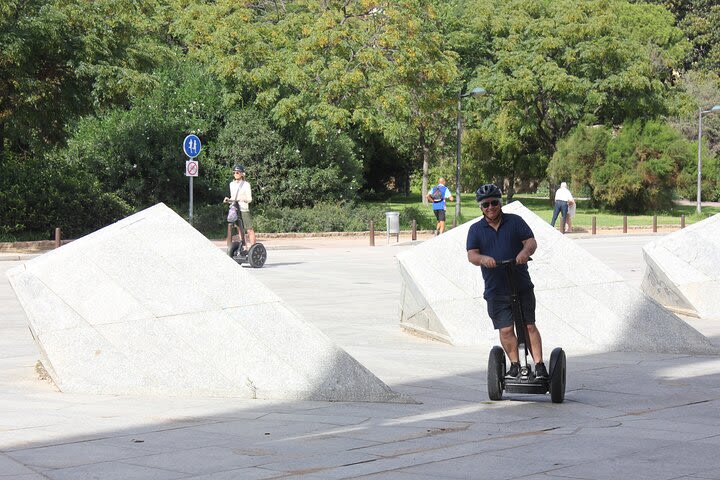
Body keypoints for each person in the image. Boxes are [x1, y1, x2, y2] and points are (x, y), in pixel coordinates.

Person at [466, 183, 547, 379]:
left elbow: (531, 242)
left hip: (521, 285)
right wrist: (483, 259)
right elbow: (472, 255)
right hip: (496, 289)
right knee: (505, 329)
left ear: (500, 203)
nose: (490, 207)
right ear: (481, 207)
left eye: (494, 203)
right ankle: (515, 365)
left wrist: (524, 253)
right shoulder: (476, 229)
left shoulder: (515, 221)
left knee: (529, 325)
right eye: (486, 205)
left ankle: (539, 365)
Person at [223, 164, 256, 246]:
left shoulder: (246, 184)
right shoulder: (231, 184)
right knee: (239, 230)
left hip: (243, 209)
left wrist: (244, 199)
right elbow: (233, 197)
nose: (235, 174)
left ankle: (253, 248)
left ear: (242, 173)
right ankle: (244, 248)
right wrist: (228, 200)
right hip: (236, 209)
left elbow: (250, 199)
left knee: (249, 229)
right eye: (234, 172)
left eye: (237, 172)